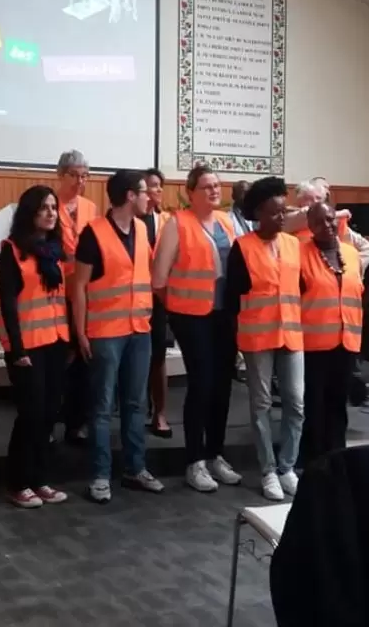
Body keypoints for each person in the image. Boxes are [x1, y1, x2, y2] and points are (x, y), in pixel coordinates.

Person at [72, 169, 164, 503]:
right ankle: (100, 475)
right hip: (105, 332)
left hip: (139, 330)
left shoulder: (142, 229)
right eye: (143, 191)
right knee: (101, 407)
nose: (148, 197)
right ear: (129, 195)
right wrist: (80, 330)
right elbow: (79, 286)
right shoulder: (92, 233)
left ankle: (134, 469)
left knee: (135, 403)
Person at [152, 164, 241, 493]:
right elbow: (159, 280)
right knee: (201, 385)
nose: (214, 190)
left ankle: (216, 453)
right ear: (191, 193)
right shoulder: (178, 224)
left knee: (222, 387)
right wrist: (178, 307)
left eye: (217, 185)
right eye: (206, 186)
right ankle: (195, 461)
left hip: (223, 315)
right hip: (191, 316)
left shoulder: (224, 221)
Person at [225, 176, 303, 501]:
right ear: (258, 214)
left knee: (296, 403)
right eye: (274, 213)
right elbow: (232, 298)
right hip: (258, 337)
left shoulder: (293, 244)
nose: (281, 218)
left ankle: (287, 467)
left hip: (291, 333)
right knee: (261, 405)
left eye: (284, 212)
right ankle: (268, 470)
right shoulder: (242, 248)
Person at [0, 185, 70, 509]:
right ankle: (18, 482)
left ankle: (39, 478)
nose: (51, 212)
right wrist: (16, 349)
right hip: (27, 346)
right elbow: (8, 304)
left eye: (54, 207)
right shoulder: (12, 250)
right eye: (44, 207)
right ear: (30, 212)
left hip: (55, 342)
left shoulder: (55, 250)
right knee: (30, 414)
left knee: (49, 414)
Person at [299, 202, 363, 468]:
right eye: (320, 222)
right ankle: (313, 460)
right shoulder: (300, 255)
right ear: (310, 227)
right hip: (313, 344)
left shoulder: (351, 253)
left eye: (330, 219)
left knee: (338, 403)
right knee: (314, 406)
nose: (328, 225)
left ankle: (338, 457)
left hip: (346, 340)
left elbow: (357, 293)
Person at [56, 149, 98, 444]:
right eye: (75, 175)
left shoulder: (90, 207)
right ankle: (48, 420)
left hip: (84, 292)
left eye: (85, 176)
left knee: (83, 357)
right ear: (61, 175)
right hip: (53, 293)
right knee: (58, 359)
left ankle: (76, 422)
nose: (80, 181)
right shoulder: (48, 204)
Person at [140, 167, 171, 438]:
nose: (157, 190)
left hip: (159, 300)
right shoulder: (129, 220)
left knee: (158, 357)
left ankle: (160, 413)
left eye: (160, 185)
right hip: (132, 300)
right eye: (152, 185)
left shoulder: (166, 221)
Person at [287, 178, 369, 269]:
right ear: (299, 201)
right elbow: (305, 214)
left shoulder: (337, 222)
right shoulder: (289, 218)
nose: (315, 202)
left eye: (318, 198)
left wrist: (352, 269)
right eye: (308, 198)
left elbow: (367, 249)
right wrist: (341, 213)